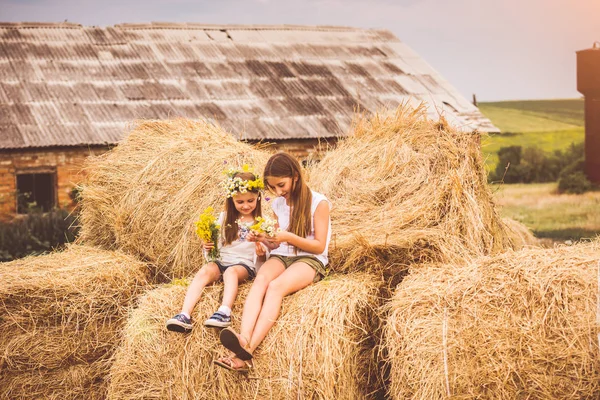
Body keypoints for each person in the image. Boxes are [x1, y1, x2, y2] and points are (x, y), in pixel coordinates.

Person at [214, 152, 331, 372]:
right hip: (282, 255)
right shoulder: (278, 204)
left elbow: (319, 246)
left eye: (281, 185)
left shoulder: (319, 202)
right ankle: (243, 338)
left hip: (310, 259)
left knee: (276, 288)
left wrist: (288, 236)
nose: (278, 192)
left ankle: (248, 349)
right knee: (261, 281)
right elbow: (276, 244)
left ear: (295, 176)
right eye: (273, 188)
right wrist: (263, 240)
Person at [166, 168, 266, 333]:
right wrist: (207, 247)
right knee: (205, 270)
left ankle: (224, 311)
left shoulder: (261, 223)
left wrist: (261, 253)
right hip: (222, 261)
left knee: (231, 273)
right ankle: (184, 314)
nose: (246, 205)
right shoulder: (223, 219)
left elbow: (262, 260)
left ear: (258, 198)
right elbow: (214, 251)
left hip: (244, 265)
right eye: (240, 202)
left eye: (250, 201)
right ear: (231, 200)